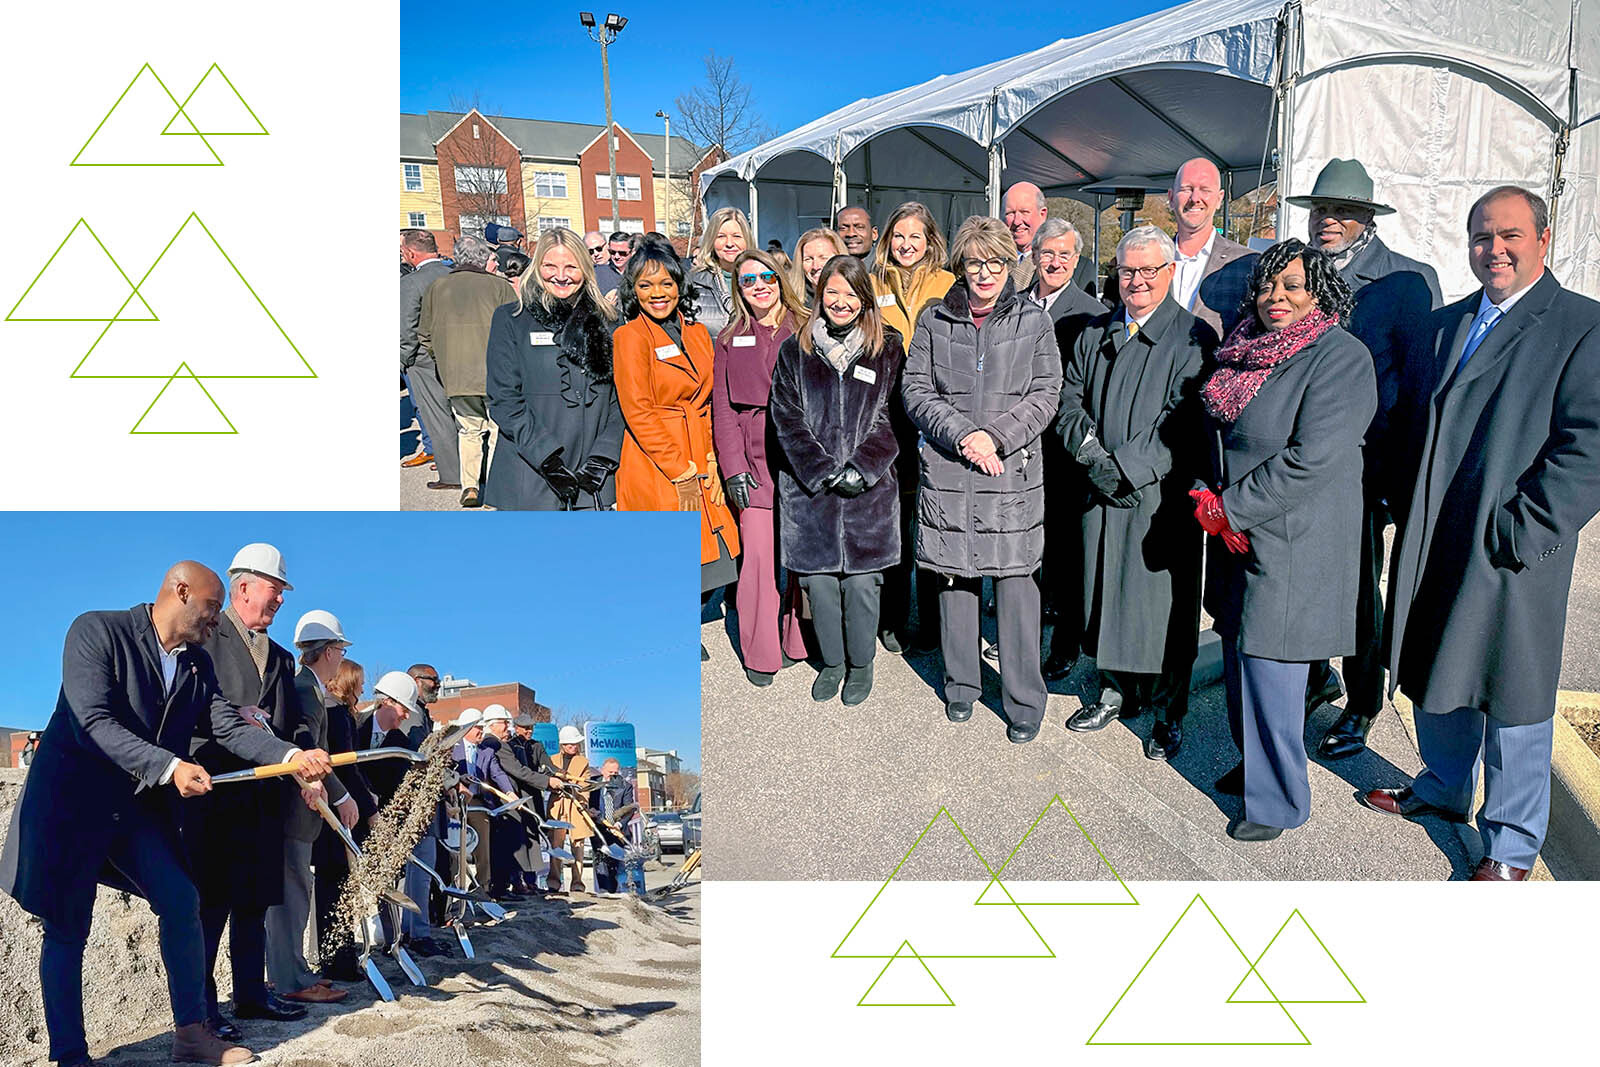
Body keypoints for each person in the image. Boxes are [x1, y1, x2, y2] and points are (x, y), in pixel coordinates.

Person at [0, 562, 333, 1067]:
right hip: (71, 805)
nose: (217, 622)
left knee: (181, 900)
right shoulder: (97, 631)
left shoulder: (197, 664)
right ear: (181, 592)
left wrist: (289, 757)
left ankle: (191, 1036)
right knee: (67, 927)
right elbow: (92, 721)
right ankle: (70, 1055)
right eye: (212, 608)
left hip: (133, 810)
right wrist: (170, 765)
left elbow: (226, 724)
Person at [1362, 186, 1600, 880]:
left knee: (1511, 688)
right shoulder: (1447, 324)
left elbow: (1589, 445)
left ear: (1543, 239)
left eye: (1509, 236)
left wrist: (1523, 529)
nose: (1493, 249)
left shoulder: (1582, 326)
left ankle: (1512, 841)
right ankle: (1442, 787)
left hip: (1509, 548)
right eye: (1481, 237)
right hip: (1436, 531)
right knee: (1439, 663)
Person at [1196, 239, 1376, 841]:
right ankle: (1256, 769)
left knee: (1273, 670)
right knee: (1242, 659)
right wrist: (1209, 496)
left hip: (1293, 538)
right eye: (1269, 285)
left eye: (1293, 286)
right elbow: (1221, 433)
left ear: (1319, 292)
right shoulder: (1246, 349)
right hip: (1236, 533)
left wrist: (1231, 509)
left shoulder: (1339, 356)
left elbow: (1312, 458)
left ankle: (1279, 803)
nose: (1277, 297)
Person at [1285, 158, 1444, 759]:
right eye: (1323, 210)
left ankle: (1361, 701)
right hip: (1304, 463)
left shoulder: (1406, 281)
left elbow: (1418, 388)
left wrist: (1399, 481)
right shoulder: (1298, 275)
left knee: (1355, 591)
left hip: (1365, 471)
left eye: (1344, 212)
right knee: (1304, 581)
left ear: (1367, 221)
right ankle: (1314, 675)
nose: (1329, 221)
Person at [901, 216, 1062, 743]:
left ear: (1008, 265)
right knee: (955, 584)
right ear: (961, 266)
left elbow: (1045, 395)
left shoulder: (1034, 321)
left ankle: (1023, 702)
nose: (985, 273)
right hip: (951, 469)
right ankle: (962, 686)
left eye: (995, 262)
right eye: (975, 263)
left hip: (1009, 473)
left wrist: (994, 437)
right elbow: (916, 390)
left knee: (1017, 591)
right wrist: (965, 436)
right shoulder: (933, 320)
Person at [1058, 227, 1215, 761]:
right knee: (1102, 591)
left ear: (1170, 273)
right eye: (1128, 270)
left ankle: (1170, 710)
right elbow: (1068, 398)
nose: (1138, 281)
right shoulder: (1095, 333)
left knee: (1163, 609)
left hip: (1159, 501)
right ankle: (1113, 690)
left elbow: (1184, 418)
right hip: (1099, 491)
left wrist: (1126, 469)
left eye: (1150, 270)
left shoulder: (1193, 338)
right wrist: (1093, 459)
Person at [186, 544, 310, 1040]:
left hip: (265, 796)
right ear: (243, 587)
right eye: (274, 590)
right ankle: (201, 1007)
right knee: (211, 904)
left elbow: (294, 725)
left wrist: (300, 761)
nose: (280, 599)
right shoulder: (207, 642)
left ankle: (251, 994)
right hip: (217, 792)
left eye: (281, 592)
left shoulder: (280, 659)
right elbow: (189, 710)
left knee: (254, 901)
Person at [770, 253, 904, 705]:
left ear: (864, 297)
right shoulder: (796, 349)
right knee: (821, 585)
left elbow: (893, 417)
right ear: (818, 294)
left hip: (869, 493)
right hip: (813, 493)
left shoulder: (887, 347)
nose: (840, 302)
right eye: (832, 292)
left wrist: (863, 467)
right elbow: (786, 418)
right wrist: (824, 470)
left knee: (864, 584)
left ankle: (861, 665)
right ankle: (832, 663)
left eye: (850, 293)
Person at [613, 236, 742, 596]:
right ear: (633, 290)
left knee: (712, 555)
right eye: (646, 285)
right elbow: (637, 410)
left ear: (678, 285)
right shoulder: (630, 336)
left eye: (666, 283)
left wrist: (713, 455)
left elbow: (714, 397)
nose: (658, 293)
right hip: (656, 458)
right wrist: (679, 468)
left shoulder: (698, 333)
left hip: (700, 449)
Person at [711, 248, 810, 686]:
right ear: (738, 288)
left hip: (801, 458)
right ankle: (760, 649)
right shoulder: (730, 338)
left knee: (802, 559)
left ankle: (798, 639)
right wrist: (733, 468)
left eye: (767, 276)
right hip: (753, 459)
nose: (760, 286)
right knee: (757, 559)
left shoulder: (807, 326)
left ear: (781, 277)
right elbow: (723, 410)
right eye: (748, 280)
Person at [483, 227, 624, 511]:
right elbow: (504, 398)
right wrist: (547, 460)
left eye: (571, 266)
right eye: (550, 266)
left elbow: (621, 400)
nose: (561, 275)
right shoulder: (512, 319)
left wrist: (603, 458)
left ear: (585, 269)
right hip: (531, 470)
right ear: (537, 268)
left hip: (591, 477)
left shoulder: (609, 322)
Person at [869, 202, 956, 655]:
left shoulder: (947, 285)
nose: (905, 245)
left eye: (915, 237)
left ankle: (934, 623)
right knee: (896, 523)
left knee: (934, 522)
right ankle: (893, 616)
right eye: (898, 236)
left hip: (934, 411)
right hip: (887, 416)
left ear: (930, 242)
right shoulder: (872, 283)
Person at [1028, 217, 1110, 682]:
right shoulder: (1017, 304)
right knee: (1030, 547)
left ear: (1076, 261)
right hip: (1022, 446)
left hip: (1061, 449)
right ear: (1035, 256)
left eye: (1065, 255)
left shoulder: (1090, 312)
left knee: (1065, 550)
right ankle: (1028, 626)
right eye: (1048, 253)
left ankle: (1064, 645)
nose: (1055, 262)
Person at [267, 611, 359, 1005]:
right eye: (340, 648)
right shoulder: (306, 690)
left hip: (302, 809)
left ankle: (297, 972)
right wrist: (340, 795)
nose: (342, 656)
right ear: (326, 652)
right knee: (291, 894)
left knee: (297, 891)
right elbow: (308, 750)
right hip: (295, 810)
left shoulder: (310, 688)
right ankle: (290, 979)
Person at [417, 232, 518, 508]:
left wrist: (442, 358)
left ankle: (470, 485)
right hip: (497, 373)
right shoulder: (500, 287)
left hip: (456, 375)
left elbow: (424, 333)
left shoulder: (437, 288)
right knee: (498, 430)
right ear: (484, 258)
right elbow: (515, 329)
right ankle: (496, 485)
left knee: (469, 431)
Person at [353, 670, 448, 955]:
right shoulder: (355, 725)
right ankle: (392, 935)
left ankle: (411, 936)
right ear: (386, 702)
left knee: (409, 868)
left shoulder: (399, 740)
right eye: (404, 709)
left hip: (394, 814)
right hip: (360, 814)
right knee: (381, 876)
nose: (407, 716)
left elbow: (408, 779)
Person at [311, 656, 379, 981]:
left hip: (338, 805)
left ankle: (338, 956)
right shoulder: (335, 712)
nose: (363, 687)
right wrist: (369, 807)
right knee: (335, 883)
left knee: (336, 884)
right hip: (335, 810)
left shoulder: (339, 709)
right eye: (360, 681)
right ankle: (337, 959)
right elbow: (344, 768)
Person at [1166, 158, 1256, 338]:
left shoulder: (1249, 264)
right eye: (1186, 189)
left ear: (1219, 199)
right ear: (1171, 197)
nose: (1195, 198)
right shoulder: (1151, 261)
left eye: (1205, 190)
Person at [400, 229, 459, 487]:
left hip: (423, 359)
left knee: (437, 416)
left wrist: (402, 359)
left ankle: (452, 475)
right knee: (461, 415)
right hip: (459, 353)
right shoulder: (455, 274)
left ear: (411, 253)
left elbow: (406, 327)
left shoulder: (411, 283)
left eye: (403, 251)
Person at [495, 710, 565, 893]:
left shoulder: (536, 746)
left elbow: (548, 768)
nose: (529, 731)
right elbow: (519, 771)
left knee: (533, 838)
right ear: (517, 728)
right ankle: (517, 881)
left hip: (533, 797)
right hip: (516, 797)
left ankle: (532, 880)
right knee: (518, 839)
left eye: (531, 728)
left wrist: (561, 776)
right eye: (525, 728)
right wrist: (547, 781)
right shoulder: (509, 746)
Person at [449, 710, 515, 895]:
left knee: (483, 847)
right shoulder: (453, 747)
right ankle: (455, 887)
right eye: (478, 727)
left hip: (479, 804)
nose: (481, 731)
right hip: (456, 802)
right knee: (455, 848)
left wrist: (509, 792)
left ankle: (482, 888)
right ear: (467, 728)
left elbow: (497, 774)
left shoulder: (486, 752)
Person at [476, 706, 529, 900]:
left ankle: (499, 888)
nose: (508, 726)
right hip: (481, 803)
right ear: (492, 724)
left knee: (500, 848)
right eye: (504, 722)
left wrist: (509, 792)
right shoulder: (490, 743)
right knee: (492, 850)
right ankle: (493, 889)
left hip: (495, 804)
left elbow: (497, 772)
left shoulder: (490, 748)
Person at [689, 207, 753, 338]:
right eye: (721, 236)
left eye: (736, 236)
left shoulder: (764, 281)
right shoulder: (692, 282)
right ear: (711, 241)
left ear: (747, 240)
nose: (729, 243)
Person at [548, 726, 594, 893]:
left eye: (575, 744)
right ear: (563, 745)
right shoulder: (552, 760)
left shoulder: (583, 762)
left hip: (576, 805)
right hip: (558, 806)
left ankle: (577, 882)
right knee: (556, 843)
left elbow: (585, 785)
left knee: (578, 844)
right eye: (569, 745)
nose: (573, 747)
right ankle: (553, 880)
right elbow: (547, 780)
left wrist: (583, 800)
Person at [591, 759, 645, 896]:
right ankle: (603, 891)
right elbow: (588, 804)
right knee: (601, 862)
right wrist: (596, 816)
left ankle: (617, 891)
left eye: (616, 772)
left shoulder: (625, 786)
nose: (613, 775)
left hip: (618, 831)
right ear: (603, 770)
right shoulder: (593, 783)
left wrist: (619, 824)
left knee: (616, 865)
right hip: (599, 830)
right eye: (610, 772)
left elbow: (629, 808)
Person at [1001, 182, 1047, 289]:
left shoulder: (1070, 268)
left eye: (1024, 212)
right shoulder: (990, 259)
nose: (1017, 221)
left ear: (1042, 214)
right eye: (1010, 213)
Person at [791, 227, 850, 305]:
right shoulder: (792, 304)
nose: (815, 266)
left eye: (823, 258)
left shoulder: (857, 300)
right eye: (808, 259)